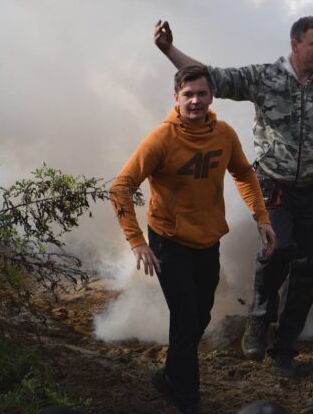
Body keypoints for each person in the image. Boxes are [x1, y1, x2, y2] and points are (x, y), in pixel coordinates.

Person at [153, 16, 313, 379]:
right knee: (279, 249)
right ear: (295, 45)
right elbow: (211, 77)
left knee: (311, 268)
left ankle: (285, 347)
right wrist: (168, 50)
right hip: (274, 186)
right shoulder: (264, 78)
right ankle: (258, 318)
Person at [109, 66, 276, 414]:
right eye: (188, 95)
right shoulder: (162, 139)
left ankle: (170, 375)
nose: (195, 101)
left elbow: (244, 172)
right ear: (176, 98)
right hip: (169, 241)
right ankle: (188, 400)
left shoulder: (224, 134)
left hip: (207, 240)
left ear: (211, 96)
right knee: (185, 319)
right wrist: (137, 241)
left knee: (200, 316)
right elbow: (120, 186)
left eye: (201, 93)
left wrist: (262, 217)